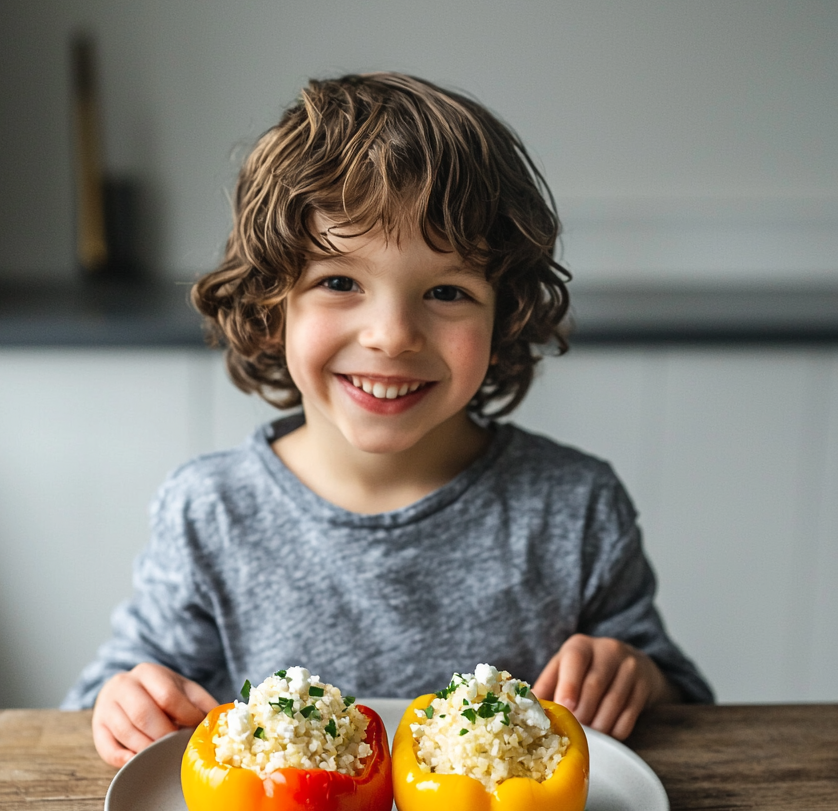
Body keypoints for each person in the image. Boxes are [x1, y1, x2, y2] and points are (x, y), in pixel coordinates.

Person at [63, 73, 713, 767]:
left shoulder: (574, 508)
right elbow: (109, 693)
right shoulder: (210, 512)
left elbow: (682, 702)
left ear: (505, 317)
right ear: (269, 303)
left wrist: (638, 676)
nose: (393, 334)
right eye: (340, 282)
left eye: (446, 291)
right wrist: (124, 700)